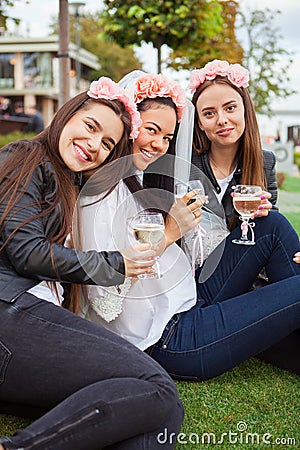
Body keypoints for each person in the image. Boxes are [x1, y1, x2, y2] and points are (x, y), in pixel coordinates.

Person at [78, 71, 300, 381]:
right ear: (128, 125)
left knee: (271, 223)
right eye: (151, 130)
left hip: (192, 299)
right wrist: (169, 233)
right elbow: (105, 300)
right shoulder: (99, 196)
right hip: (171, 339)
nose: (159, 145)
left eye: (167, 137)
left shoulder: (140, 178)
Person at [0, 76, 184, 450]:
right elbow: (25, 251)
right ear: (67, 115)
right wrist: (117, 264)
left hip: (20, 335)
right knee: (158, 388)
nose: (93, 145)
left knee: (159, 414)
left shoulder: (67, 179)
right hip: (8, 313)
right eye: (90, 126)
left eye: (107, 143)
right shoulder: (24, 155)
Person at [188, 59, 300, 372]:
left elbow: (269, 243)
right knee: (274, 224)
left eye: (230, 108)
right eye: (209, 113)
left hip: (244, 279)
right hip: (201, 282)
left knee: (271, 221)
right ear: (199, 123)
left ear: (245, 110)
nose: (222, 120)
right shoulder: (185, 164)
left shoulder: (263, 162)